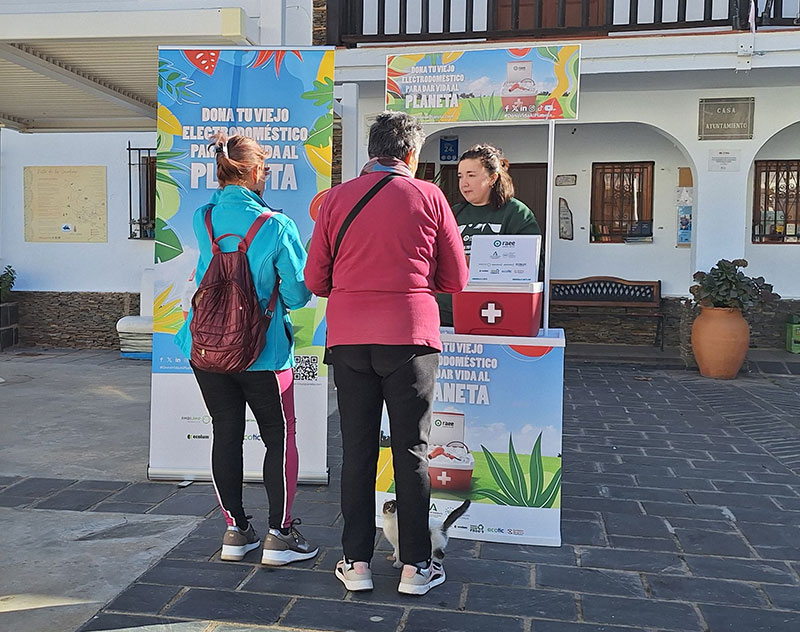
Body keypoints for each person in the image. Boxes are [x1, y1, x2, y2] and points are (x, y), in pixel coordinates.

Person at [305, 112, 468, 595]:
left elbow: (316, 280)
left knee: (356, 451)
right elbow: (456, 279)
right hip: (411, 339)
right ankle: (416, 567)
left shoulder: (335, 200)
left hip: (350, 338)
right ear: (412, 155)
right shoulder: (430, 196)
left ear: (371, 151)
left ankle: (355, 564)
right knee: (412, 450)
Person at [174, 133, 318, 567]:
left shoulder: (204, 217)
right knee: (279, 438)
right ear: (256, 172)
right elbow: (297, 295)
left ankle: (236, 531)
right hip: (265, 353)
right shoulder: (276, 225)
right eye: (266, 169)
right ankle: (280, 533)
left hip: (206, 348)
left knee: (225, 433)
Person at [437, 143, 542, 327]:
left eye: (471, 175)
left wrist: (477, 261)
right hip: (448, 311)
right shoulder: (453, 213)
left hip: (496, 312)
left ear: (492, 178)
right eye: (460, 176)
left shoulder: (516, 213)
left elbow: (532, 263)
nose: (464, 183)